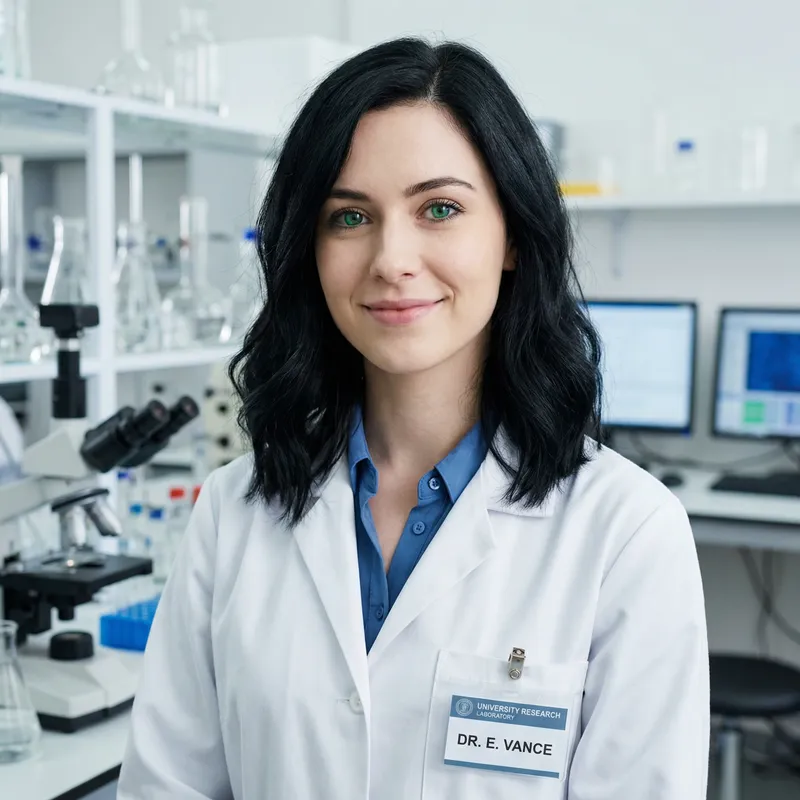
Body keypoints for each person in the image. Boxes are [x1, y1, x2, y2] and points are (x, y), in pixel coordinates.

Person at [118, 37, 709, 799]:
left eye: (439, 208)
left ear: (514, 239)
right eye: (349, 216)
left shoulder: (626, 531)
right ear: (310, 249)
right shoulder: (234, 512)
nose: (392, 258)